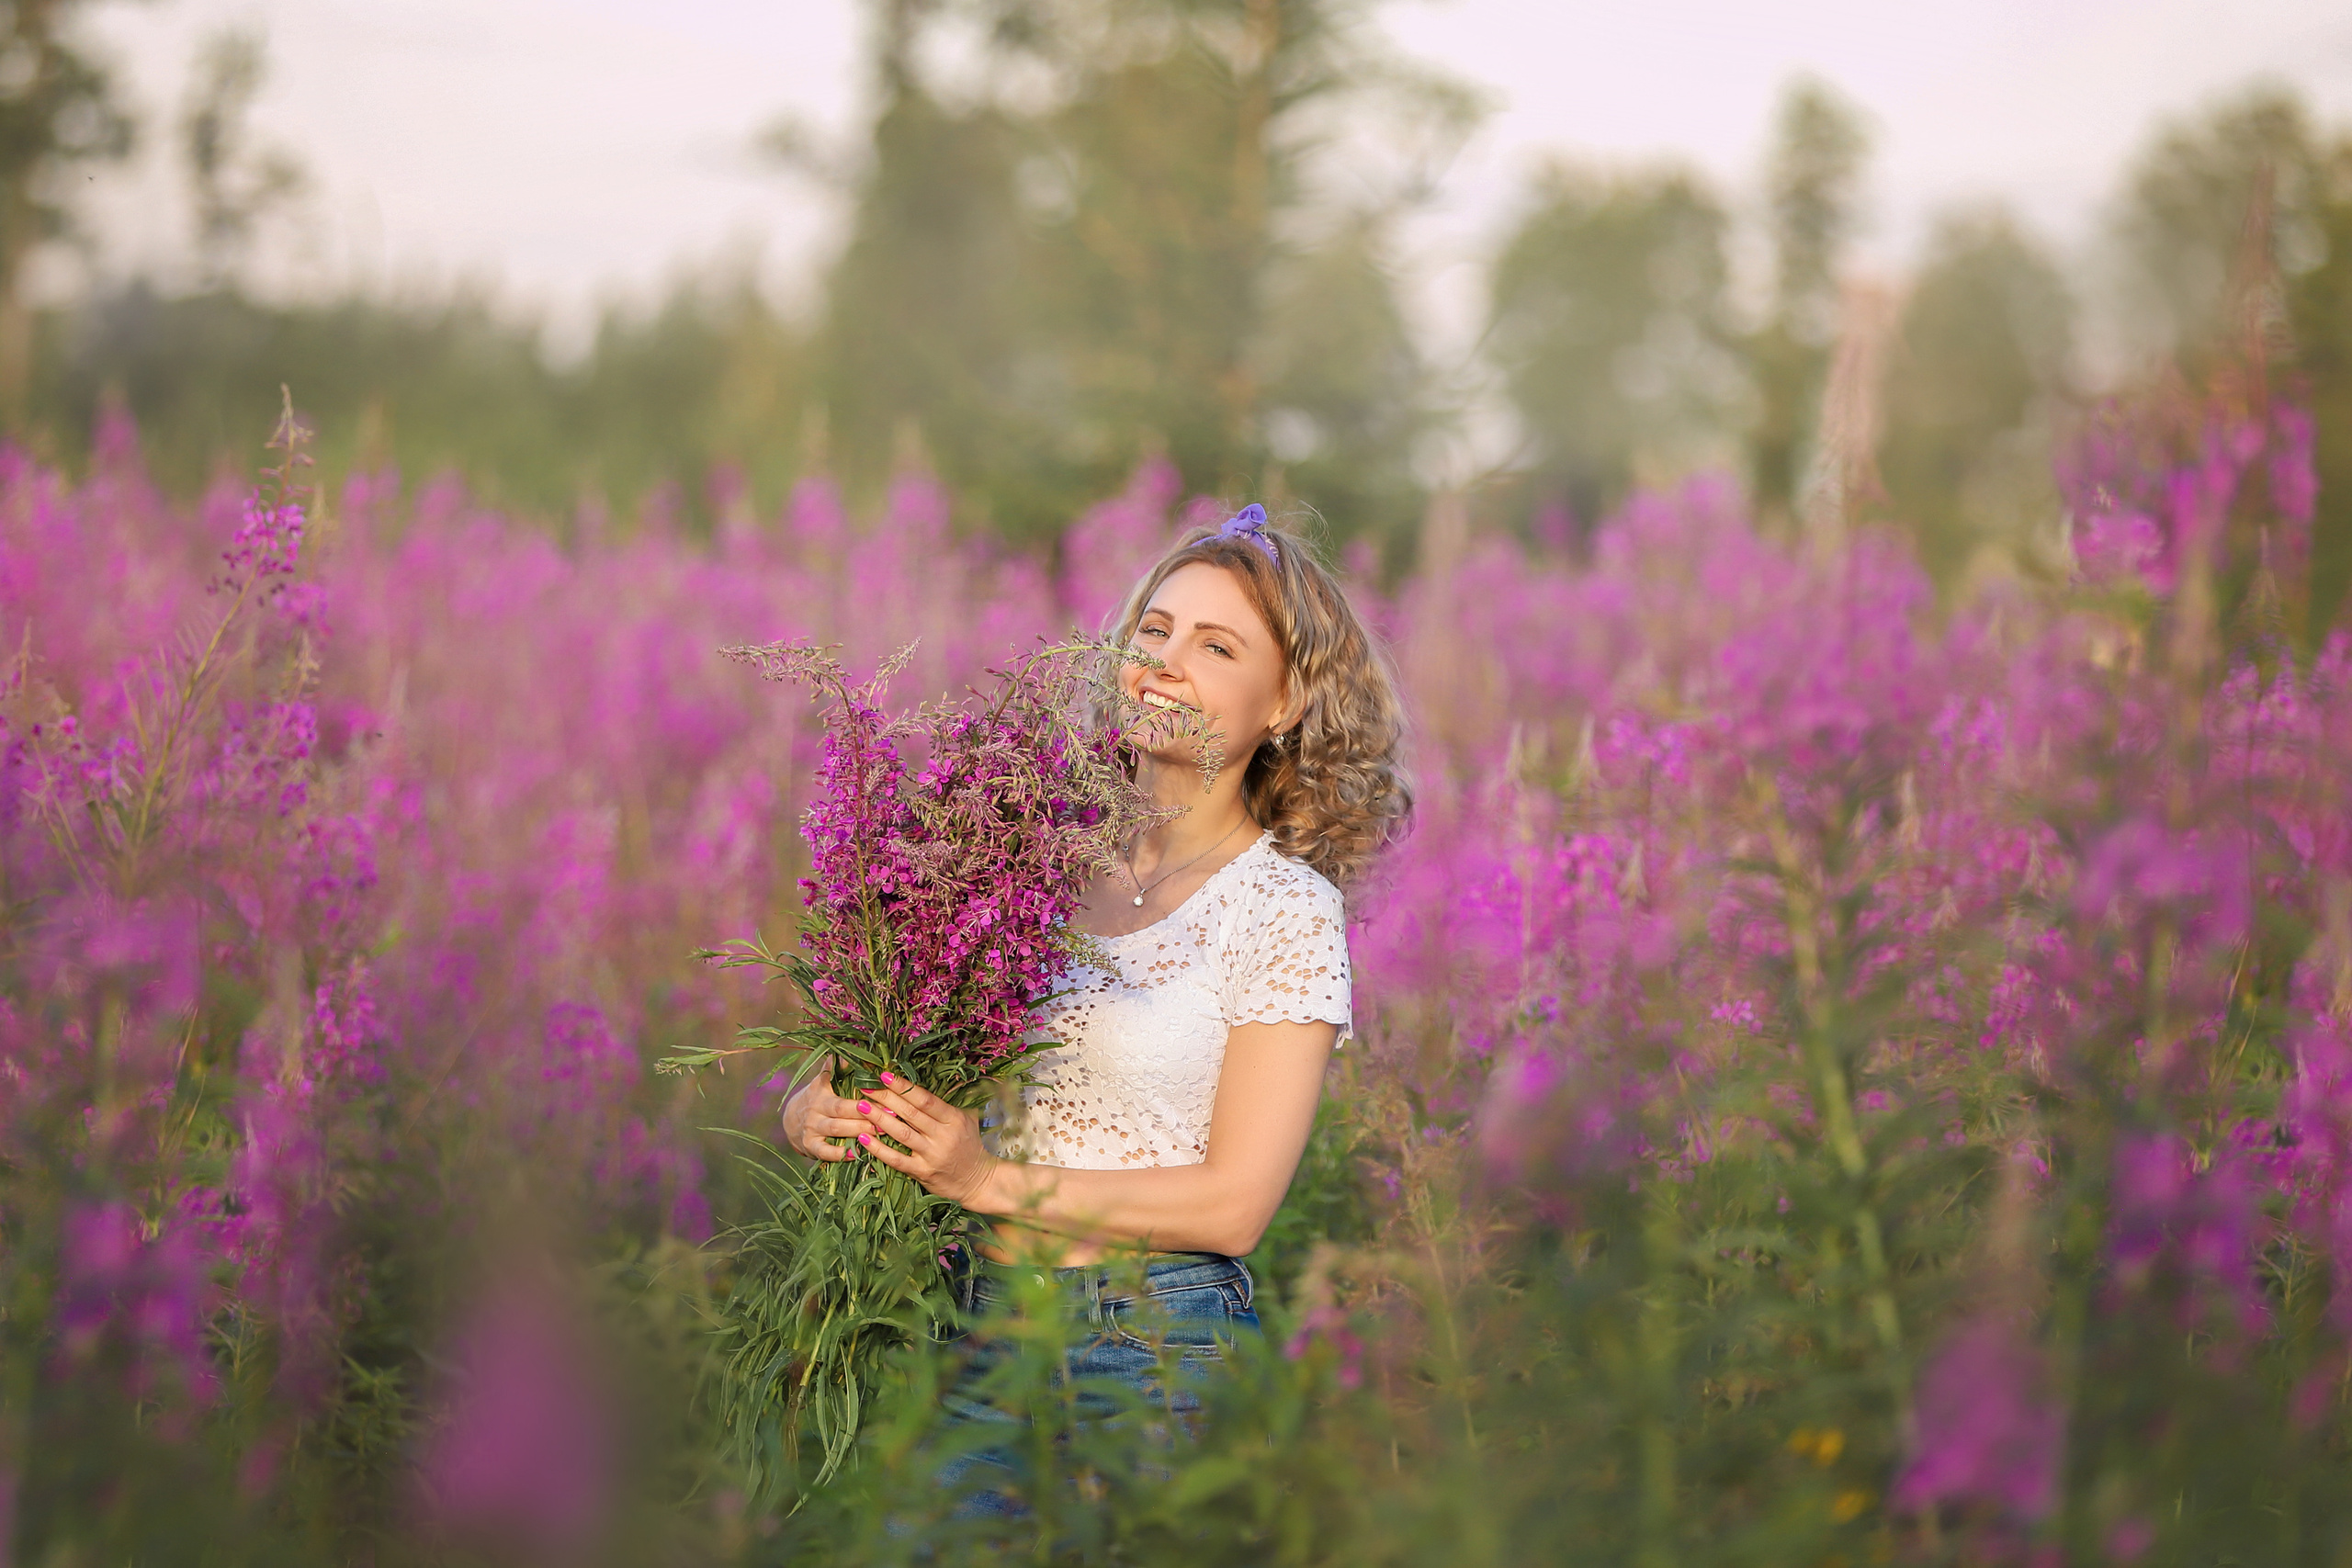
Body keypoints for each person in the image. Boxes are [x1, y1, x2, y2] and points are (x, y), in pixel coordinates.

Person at [775, 503, 1409, 1497]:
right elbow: (877, 1045)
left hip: (1155, 1350)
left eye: (1214, 645)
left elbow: (1235, 1207)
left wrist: (987, 1181)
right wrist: (810, 1106)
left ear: (1283, 703)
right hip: (968, 1325)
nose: (1163, 661)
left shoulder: (1284, 907)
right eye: (1151, 631)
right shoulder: (1012, 845)